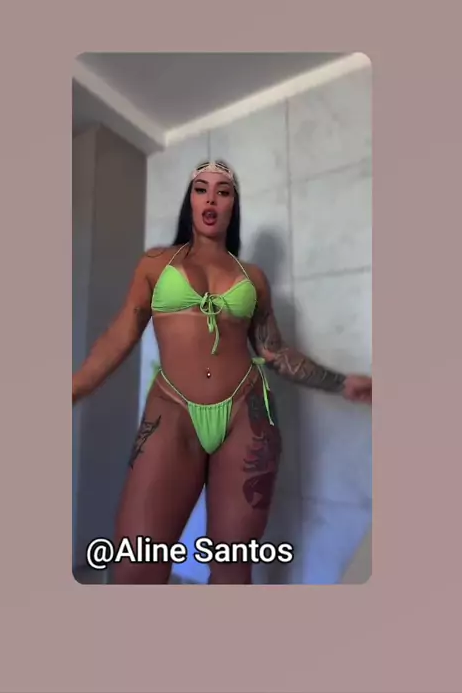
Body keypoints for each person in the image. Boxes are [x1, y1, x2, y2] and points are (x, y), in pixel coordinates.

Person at [72, 159, 372, 585]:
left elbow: (274, 351)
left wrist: (342, 383)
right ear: (191, 201)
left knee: (233, 568)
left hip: (246, 415)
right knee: (136, 566)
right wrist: (73, 388)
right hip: (172, 410)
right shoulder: (155, 263)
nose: (211, 198)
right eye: (201, 189)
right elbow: (120, 335)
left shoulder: (254, 278)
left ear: (233, 205)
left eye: (223, 191)